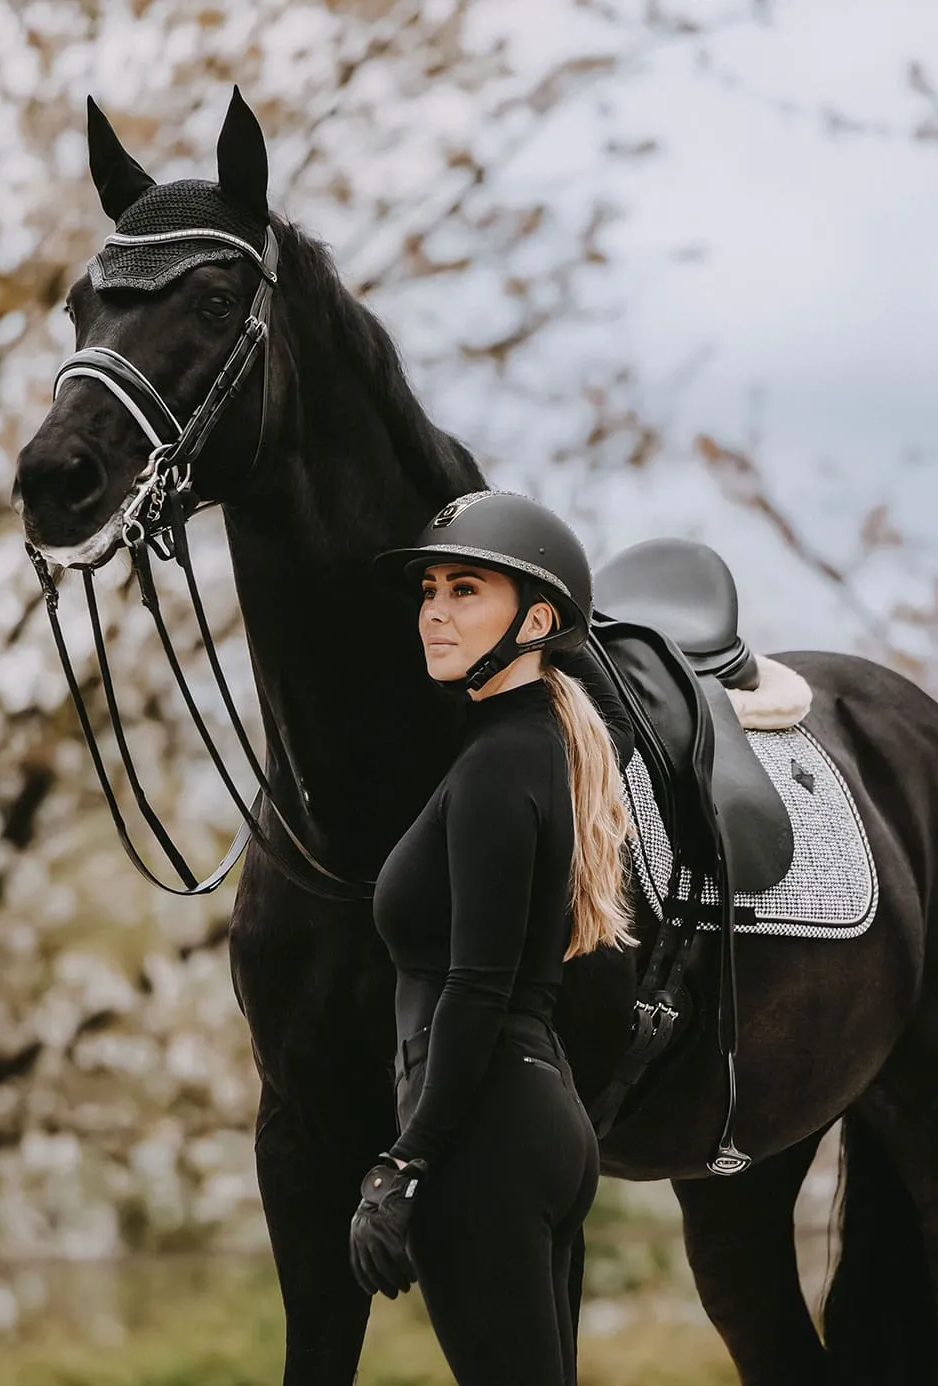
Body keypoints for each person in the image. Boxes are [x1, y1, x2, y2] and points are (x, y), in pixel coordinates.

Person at [349, 490, 637, 1385]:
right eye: (431, 589)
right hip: (529, 1118)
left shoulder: (498, 765)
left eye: (465, 589)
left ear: (537, 619)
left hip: (488, 1140)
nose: (435, 610)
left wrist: (407, 1160)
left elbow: (477, 987)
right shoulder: (531, 744)